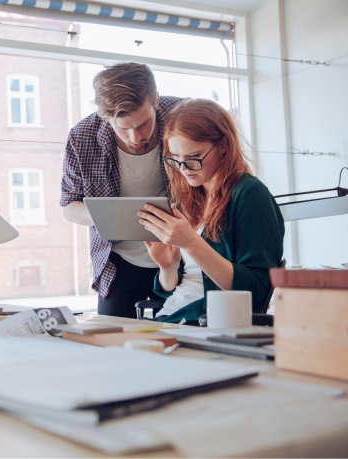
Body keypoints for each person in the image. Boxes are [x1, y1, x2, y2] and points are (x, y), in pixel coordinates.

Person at [138, 99, 285, 324]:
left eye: (193, 158)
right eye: (176, 159)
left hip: (204, 322)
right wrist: (168, 267)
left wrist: (191, 244)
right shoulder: (189, 196)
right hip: (172, 316)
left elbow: (255, 292)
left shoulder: (250, 194)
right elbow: (174, 290)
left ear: (224, 145)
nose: (184, 169)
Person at [60, 62, 183, 317]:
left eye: (144, 124)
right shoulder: (81, 138)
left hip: (184, 253)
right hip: (118, 262)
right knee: (113, 344)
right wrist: (112, 215)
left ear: (156, 101)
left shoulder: (183, 116)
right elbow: (69, 207)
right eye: (123, 128)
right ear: (105, 118)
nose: (136, 138)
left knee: (185, 339)